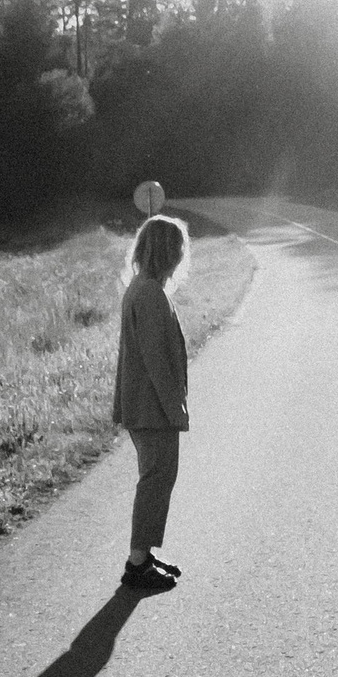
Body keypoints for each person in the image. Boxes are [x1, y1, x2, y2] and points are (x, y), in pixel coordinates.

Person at [112, 214, 191, 591]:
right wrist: (174, 409)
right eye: (177, 248)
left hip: (144, 404)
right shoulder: (150, 295)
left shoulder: (143, 289)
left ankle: (144, 553)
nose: (180, 255)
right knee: (156, 480)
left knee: (157, 479)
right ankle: (137, 562)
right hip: (151, 407)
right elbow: (156, 360)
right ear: (166, 251)